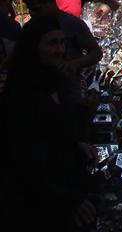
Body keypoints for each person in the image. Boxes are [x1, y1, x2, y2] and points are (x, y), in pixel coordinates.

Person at [0, 16, 97, 229]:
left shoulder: (56, 80)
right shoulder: (22, 92)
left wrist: (75, 144)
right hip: (35, 201)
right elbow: (27, 155)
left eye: (62, 42)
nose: (59, 50)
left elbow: (54, 132)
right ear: (34, 47)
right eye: (52, 43)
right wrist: (68, 200)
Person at [22, 0, 102, 105]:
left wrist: (73, 64)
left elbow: (96, 52)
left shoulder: (71, 23)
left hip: (68, 89)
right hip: (38, 90)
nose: (33, 14)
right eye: (30, 9)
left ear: (50, 2)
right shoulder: (31, 26)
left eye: (37, 9)